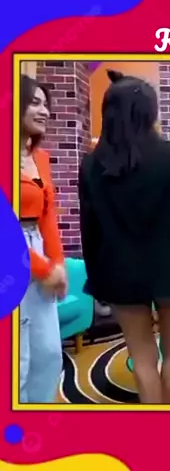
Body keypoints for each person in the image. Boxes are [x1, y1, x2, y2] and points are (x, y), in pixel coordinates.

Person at [78, 70, 170, 404]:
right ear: (150, 113)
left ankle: (154, 428)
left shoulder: (92, 166)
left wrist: (97, 281)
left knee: (142, 358)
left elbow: (89, 232)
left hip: (120, 276)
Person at [19, 74, 66, 403]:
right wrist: (44, 268)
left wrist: (58, 264)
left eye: (46, 104)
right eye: (35, 103)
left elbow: (48, 214)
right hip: (12, 257)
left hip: (38, 251)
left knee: (49, 354)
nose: (45, 111)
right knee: (17, 361)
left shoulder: (41, 158)